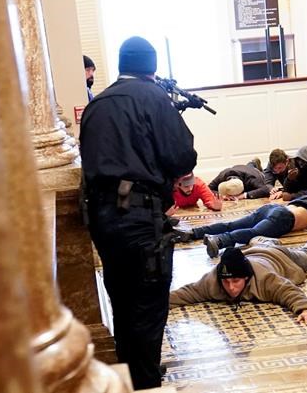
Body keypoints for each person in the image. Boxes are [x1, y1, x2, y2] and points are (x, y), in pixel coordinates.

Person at [79, 36, 197, 389]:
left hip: (101, 218)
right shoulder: (153, 98)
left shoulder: (97, 104)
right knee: (148, 303)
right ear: (152, 67)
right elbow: (181, 157)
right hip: (140, 216)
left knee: (121, 297)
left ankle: (131, 375)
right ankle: (145, 383)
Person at [170, 233, 307, 324]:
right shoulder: (212, 280)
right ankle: (261, 240)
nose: (231, 287)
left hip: (280, 258)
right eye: (226, 282)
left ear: (247, 278)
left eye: (236, 281)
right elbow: (188, 292)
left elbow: (288, 290)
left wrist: (304, 310)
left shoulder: (266, 279)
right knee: (261, 242)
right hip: (253, 253)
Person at [182, 189, 307, 258]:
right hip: (285, 217)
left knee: (232, 224)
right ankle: (220, 240)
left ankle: (193, 232)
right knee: (254, 232)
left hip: (273, 208)